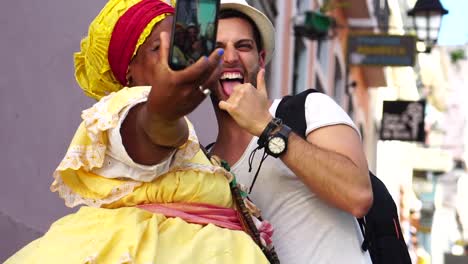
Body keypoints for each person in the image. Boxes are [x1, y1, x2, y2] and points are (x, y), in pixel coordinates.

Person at [4, 0, 277, 263]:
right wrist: (164, 115)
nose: (169, 58)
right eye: (157, 47)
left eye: (177, 46)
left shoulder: (201, 153)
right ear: (129, 70)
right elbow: (151, 132)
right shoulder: (124, 106)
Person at [207, 0, 374, 262]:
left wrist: (266, 127)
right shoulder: (203, 164)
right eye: (217, 48)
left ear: (261, 59)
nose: (229, 57)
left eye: (243, 46)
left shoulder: (309, 108)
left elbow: (358, 196)